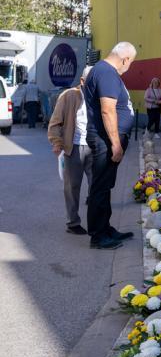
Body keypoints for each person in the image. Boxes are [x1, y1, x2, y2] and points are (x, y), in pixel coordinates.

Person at [84, 42, 137, 250]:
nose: (129, 67)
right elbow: (108, 110)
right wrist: (116, 143)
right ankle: (98, 236)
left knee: (105, 186)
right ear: (125, 59)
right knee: (100, 187)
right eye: (131, 62)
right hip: (105, 139)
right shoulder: (107, 73)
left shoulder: (103, 70)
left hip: (106, 138)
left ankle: (105, 228)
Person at [48, 66, 94, 235]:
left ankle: (96, 222)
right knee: (72, 187)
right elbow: (55, 122)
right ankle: (73, 222)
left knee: (97, 185)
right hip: (73, 146)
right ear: (82, 81)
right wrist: (57, 142)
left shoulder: (98, 96)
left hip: (94, 146)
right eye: (92, 81)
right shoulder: (69, 96)